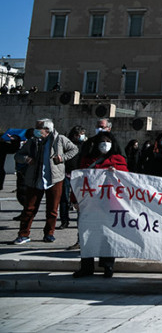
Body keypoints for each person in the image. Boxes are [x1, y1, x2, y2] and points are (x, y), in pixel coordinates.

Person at [13, 118, 78, 245]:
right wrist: (26, 159)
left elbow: (74, 149)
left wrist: (62, 158)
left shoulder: (60, 139)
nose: (36, 130)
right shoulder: (32, 141)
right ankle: (23, 234)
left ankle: (49, 233)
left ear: (47, 130)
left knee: (52, 209)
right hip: (35, 178)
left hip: (55, 178)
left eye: (39, 128)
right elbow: (18, 155)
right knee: (29, 208)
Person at [72, 131, 128, 278]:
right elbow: (78, 179)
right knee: (87, 234)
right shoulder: (87, 159)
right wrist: (74, 199)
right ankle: (86, 266)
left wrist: (116, 173)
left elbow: (126, 177)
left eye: (107, 141)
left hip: (109, 203)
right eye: (101, 141)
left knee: (108, 235)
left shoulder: (118, 159)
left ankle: (108, 266)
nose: (104, 144)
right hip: (89, 204)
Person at [59, 125, 88, 229]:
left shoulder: (85, 145)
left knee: (79, 199)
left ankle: (80, 220)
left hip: (79, 174)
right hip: (66, 173)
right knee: (64, 199)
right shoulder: (66, 144)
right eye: (80, 134)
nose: (81, 136)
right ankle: (64, 221)